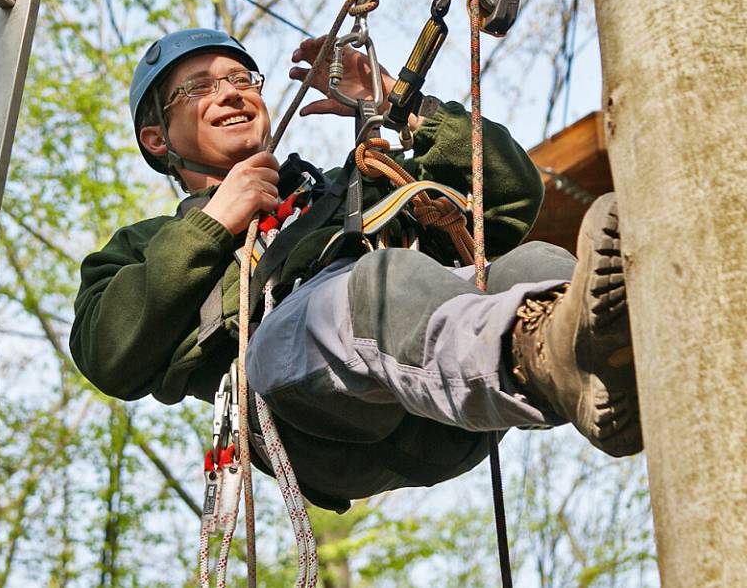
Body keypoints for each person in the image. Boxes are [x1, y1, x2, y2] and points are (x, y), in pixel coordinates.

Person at [70, 28, 641, 513]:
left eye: (242, 80)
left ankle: (581, 366)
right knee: (376, 285)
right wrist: (214, 222)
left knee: (535, 266)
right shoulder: (143, 248)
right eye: (199, 88)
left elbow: (511, 195)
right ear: (157, 139)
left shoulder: (347, 192)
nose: (231, 94)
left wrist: (397, 101)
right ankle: (546, 351)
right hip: (313, 422)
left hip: (444, 413)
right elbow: (106, 352)